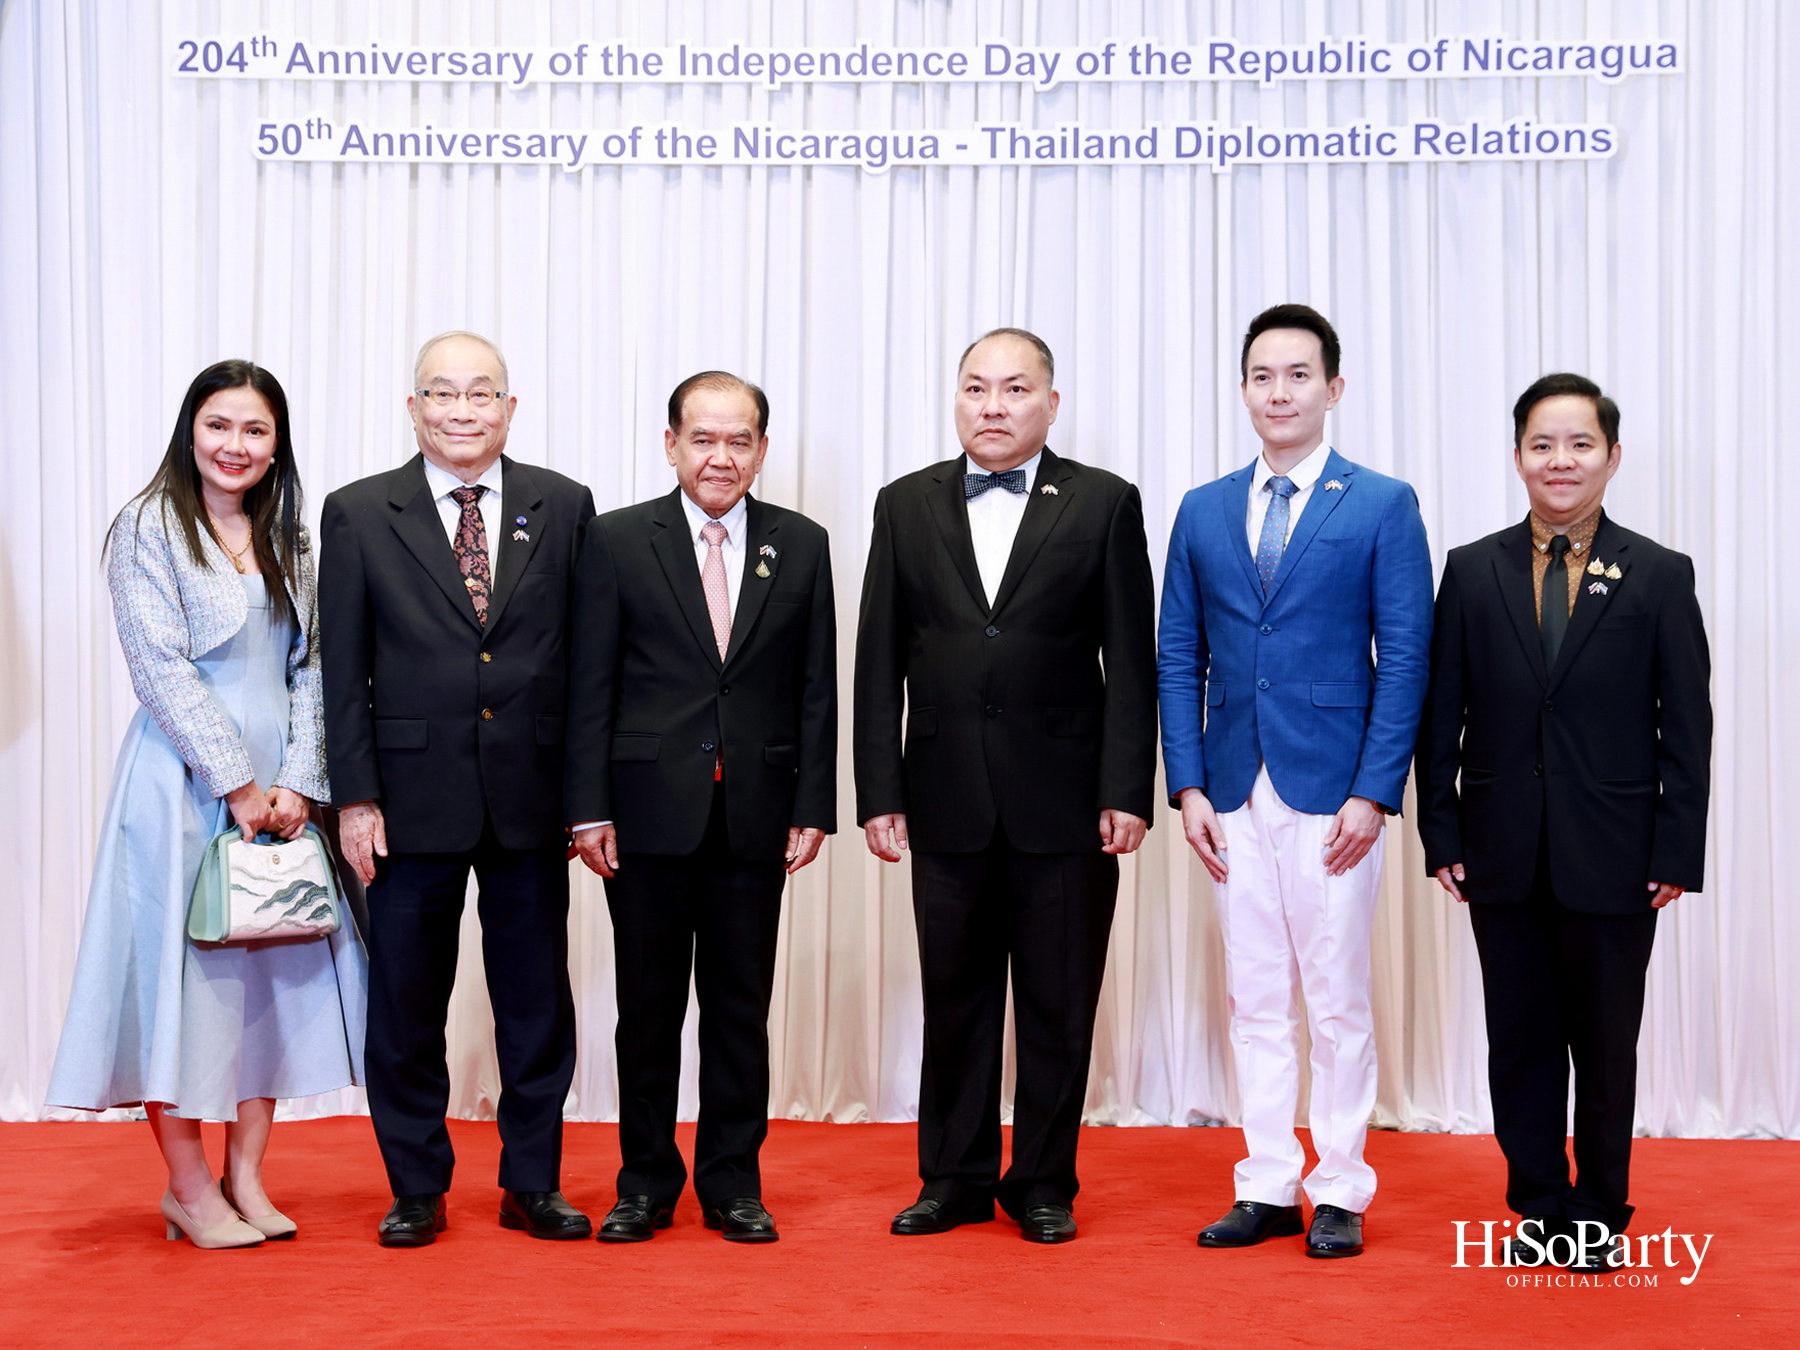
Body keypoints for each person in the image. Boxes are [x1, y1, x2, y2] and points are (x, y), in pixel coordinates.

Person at [47, 360, 367, 1249]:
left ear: (277, 445)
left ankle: (247, 1176)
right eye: (219, 425)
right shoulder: (149, 526)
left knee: (267, 976)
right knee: (177, 985)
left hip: (283, 790)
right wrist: (235, 783)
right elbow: (160, 668)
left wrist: (298, 783)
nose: (235, 445)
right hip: (180, 783)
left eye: (255, 430)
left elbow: (314, 666)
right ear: (191, 429)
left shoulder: (291, 537)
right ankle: (188, 1189)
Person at [854, 327, 1157, 1244]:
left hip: (1065, 800)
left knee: (1060, 1003)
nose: (993, 405)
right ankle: (950, 1176)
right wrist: (879, 789)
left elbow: (1131, 660)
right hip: (943, 795)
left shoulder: (1104, 503)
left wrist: (1126, 788)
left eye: (1014, 389)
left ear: (1050, 404)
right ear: (957, 401)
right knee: (955, 997)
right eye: (977, 389)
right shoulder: (905, 504)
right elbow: (877, 658)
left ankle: (1043, 1183)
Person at [1414, 373, 1710, 1272]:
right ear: (1517, 458)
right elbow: (1441, 716)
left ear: (1611, 458)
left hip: (1617, 857)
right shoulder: (1473, 568)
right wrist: (1444, 835)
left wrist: (1676, 850)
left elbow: (1687, 727)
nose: (1561, 460)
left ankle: (1597, 1213)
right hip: (1500, 854)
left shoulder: (1659, 574)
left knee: (1605, 1045)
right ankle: (1538, 1203)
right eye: (1543, 444)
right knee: (1523, 1044)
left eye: (1580, 444)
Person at [1158, 304, 1432, 1258]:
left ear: (1334, 389)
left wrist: (1375, 791)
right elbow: (1176, 653)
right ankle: (1268, 1182)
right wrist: (1186, 785)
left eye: (1299, 375)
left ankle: (1343, 1186)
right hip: (1230, 788)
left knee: (1339, 996)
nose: (1280, 392)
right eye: (1263, 376)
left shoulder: (1382, 503)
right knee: (1256, 995)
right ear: (1244, 390)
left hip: (1335, 793)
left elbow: (1404, 659)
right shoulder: (1201, 506)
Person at [319, 332, 595, 1246]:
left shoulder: (563, 504)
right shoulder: (359, 512)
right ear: (413, 407)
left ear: (511, 409)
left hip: (530, 799)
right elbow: (342, 670)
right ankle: (415, 1186)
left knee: (535, 1005)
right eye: (443, 394)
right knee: (404, 1004)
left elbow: (587, 667)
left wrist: (587, 796)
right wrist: (355, 798)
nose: (463, 410)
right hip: (405, 800)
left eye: (483, 394)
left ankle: (532, 1182)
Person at [566, 372, 835, 1245]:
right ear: (672, 442)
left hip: (756, 816)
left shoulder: (800, 543)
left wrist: (813, 805)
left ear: (761, 447)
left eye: (740, 441)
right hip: (644, 817)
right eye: (704, 440)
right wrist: (587, 809)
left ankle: (733, 1183)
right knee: (646, 1013)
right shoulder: (613, 539)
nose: (722, 457)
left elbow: (815, 688)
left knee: (739, 1012)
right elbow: (589, 685)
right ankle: (643, 1183)